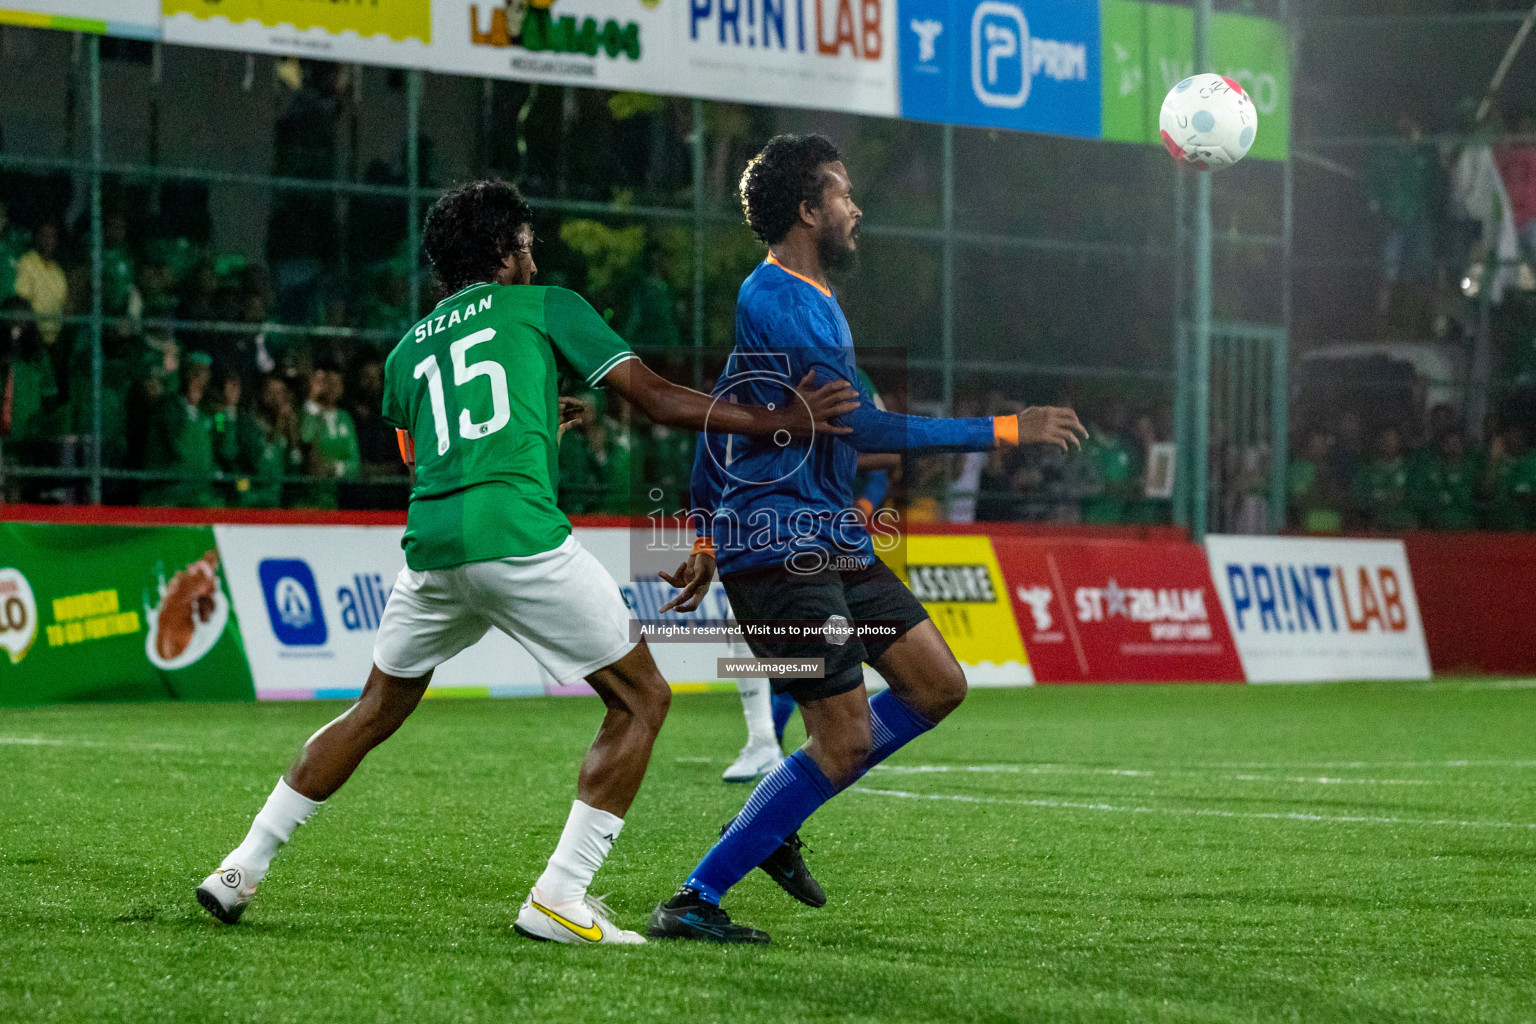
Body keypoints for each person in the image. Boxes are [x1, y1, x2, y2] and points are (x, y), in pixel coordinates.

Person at [194, 179, 860, 944]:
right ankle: (559, 897)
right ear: (505, 253)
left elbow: (431, 457)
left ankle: (241, 868)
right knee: (643, 698)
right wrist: (783, 417)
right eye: (528, 246)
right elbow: (660, 400)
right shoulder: (547, 307)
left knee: (375, 707)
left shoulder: (409, 349)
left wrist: (543, 423)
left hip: (434, 545)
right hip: (519, 536)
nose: (534, 259)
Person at [647, 135, 1086, 944]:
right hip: (776, 547)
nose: (857, 208)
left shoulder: (810, 299)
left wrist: (703, 531)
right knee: (841, 739)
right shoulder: (776, 298)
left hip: (824, 538)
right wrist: (1004, 429)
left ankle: (779, 815)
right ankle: (695, 897)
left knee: (936, 685)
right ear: (809, 211)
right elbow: (870, 425)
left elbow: (720, 414)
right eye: (844, 194)